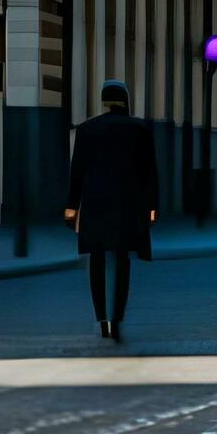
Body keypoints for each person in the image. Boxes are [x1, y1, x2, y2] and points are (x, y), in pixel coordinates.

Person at [66, 80, 159, 342]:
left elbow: (77, 173)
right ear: (125, 100)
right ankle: (117, 317)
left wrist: (71, 208)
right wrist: (152, 207)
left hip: (95, 204)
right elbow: (149, 173)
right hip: (129, 204)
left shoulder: (87, 130)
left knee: (97, 260)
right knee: (122, 261)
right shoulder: (140, 129)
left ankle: (101, 320)